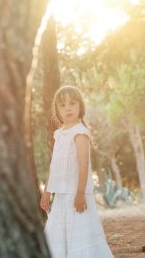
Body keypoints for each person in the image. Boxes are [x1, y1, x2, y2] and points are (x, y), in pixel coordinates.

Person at [40, 85, 113, 258]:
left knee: (79, 236)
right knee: (57, 235)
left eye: (72, 104)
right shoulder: (58, 134)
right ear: (57, 110)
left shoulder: (80, 133)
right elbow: (55, 166)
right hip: (61, 196)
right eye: (62, 105)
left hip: (77, 195)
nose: (68, 109)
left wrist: (80, 193)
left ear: (80, 106)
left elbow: (83, 164)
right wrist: (47, 192)